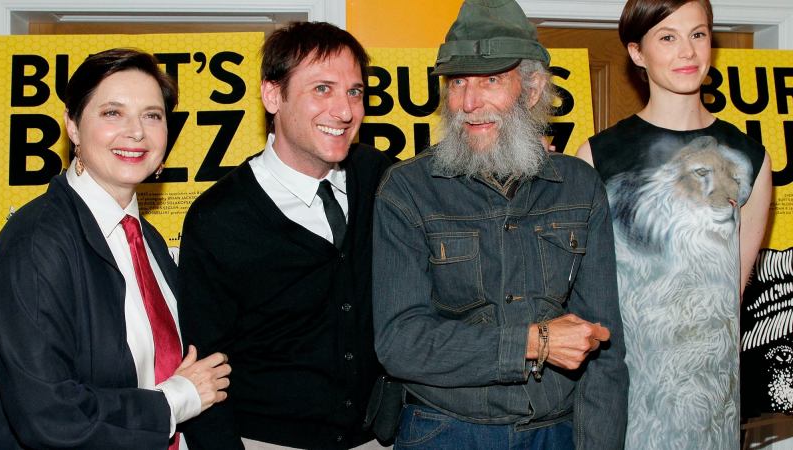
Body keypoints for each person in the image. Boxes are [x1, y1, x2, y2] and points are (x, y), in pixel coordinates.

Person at [372, 1, 628, 449]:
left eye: (491, 80)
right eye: (458, 82)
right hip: (445, 431)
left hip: (557, 432)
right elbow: (400, 344)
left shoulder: (579, 186)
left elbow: (604, 346)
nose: (469, 103)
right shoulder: (407, 190)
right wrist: (532, 342)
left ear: (531, 90)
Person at [0, 48, 231, 450]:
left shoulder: (148, 239)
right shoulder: (36, 242)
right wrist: (178, 399)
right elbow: (49, 416)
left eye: (152, 116)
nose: (136, 132)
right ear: (72, 125)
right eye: (112, 113)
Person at [177, 21, 391, 450]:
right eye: (322, 89)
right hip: (265, 441)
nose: (345, 111)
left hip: (378, 438)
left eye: (354, 92)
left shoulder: (381, 178)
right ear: (273, 95)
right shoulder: (219, 218)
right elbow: (203, 368)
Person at [575, 0, 773, 447]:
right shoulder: (597, 156)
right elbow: (586, 293)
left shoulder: (751, 160)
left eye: (697, 34)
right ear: (637, 53)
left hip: (710, 400)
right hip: (623, 394)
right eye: (667, 37)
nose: (687, 51)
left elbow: (730, 296)